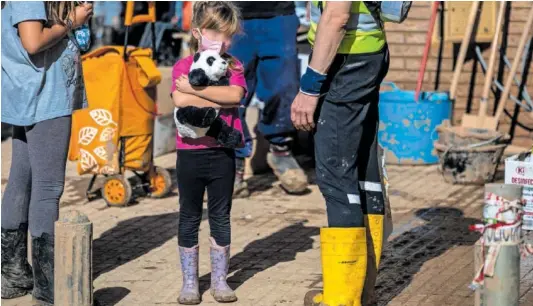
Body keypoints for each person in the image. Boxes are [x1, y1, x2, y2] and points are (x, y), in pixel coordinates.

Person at [291, 1, 390, 305]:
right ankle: (362, 291)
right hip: (369, 53)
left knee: (337, 177)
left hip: (346, 61)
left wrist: (310, 87)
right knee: (363, 174)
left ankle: (343, 299)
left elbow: (336, 16)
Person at [1, 1, 93, 305]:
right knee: (48, 187)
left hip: (30, 93)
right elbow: (32, 40)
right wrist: (72, 21)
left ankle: (14, 274)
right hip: (43, 95)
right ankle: (48, 288)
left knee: (22, 178)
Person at [171, 2, 246, 304]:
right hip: (189, 154)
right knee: (189, 215)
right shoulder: (182, 66)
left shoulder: (234, 66)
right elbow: (179, 101)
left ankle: (219, 281)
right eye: (216, 33)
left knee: (221, 216)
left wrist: (195, 89)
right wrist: (194, 93)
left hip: (222, 154)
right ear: (199, 32)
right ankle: (190, 282)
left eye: (228, 35)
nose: (223, 41)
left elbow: (235, 96)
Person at [229, 1, 308, 197]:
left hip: (279, 15)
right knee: (230, 92)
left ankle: (280, 149)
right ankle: (232, 163)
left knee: (284, 87)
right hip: (231, 15)